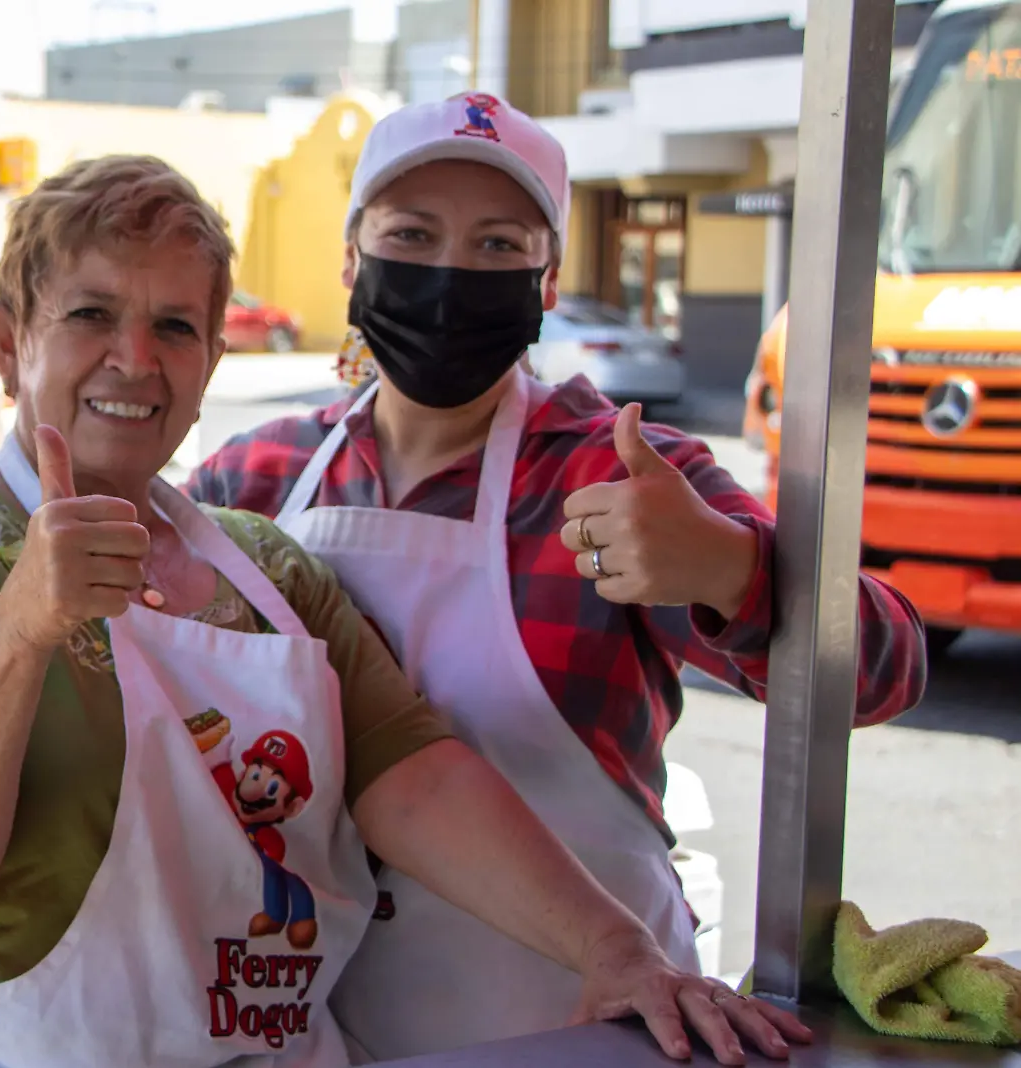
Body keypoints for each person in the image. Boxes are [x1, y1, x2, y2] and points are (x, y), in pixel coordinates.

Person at [0, 154, 807, 1068]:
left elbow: (411, 777)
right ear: (6, 344)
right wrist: (20, 629)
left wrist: (616, 948)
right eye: (90, 314)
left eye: (174, 325)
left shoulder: (265, 563)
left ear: (211, 360)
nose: (135, 358)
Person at [185, 92, 926, 1062]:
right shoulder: (256, 477)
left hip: (595, 1024)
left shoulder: (618, 471)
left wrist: (729, 567)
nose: (450, 274)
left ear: (546, 282)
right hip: (320, 1032)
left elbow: (884, 668)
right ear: (351, 258)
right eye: (411, 234)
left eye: (498, 246)